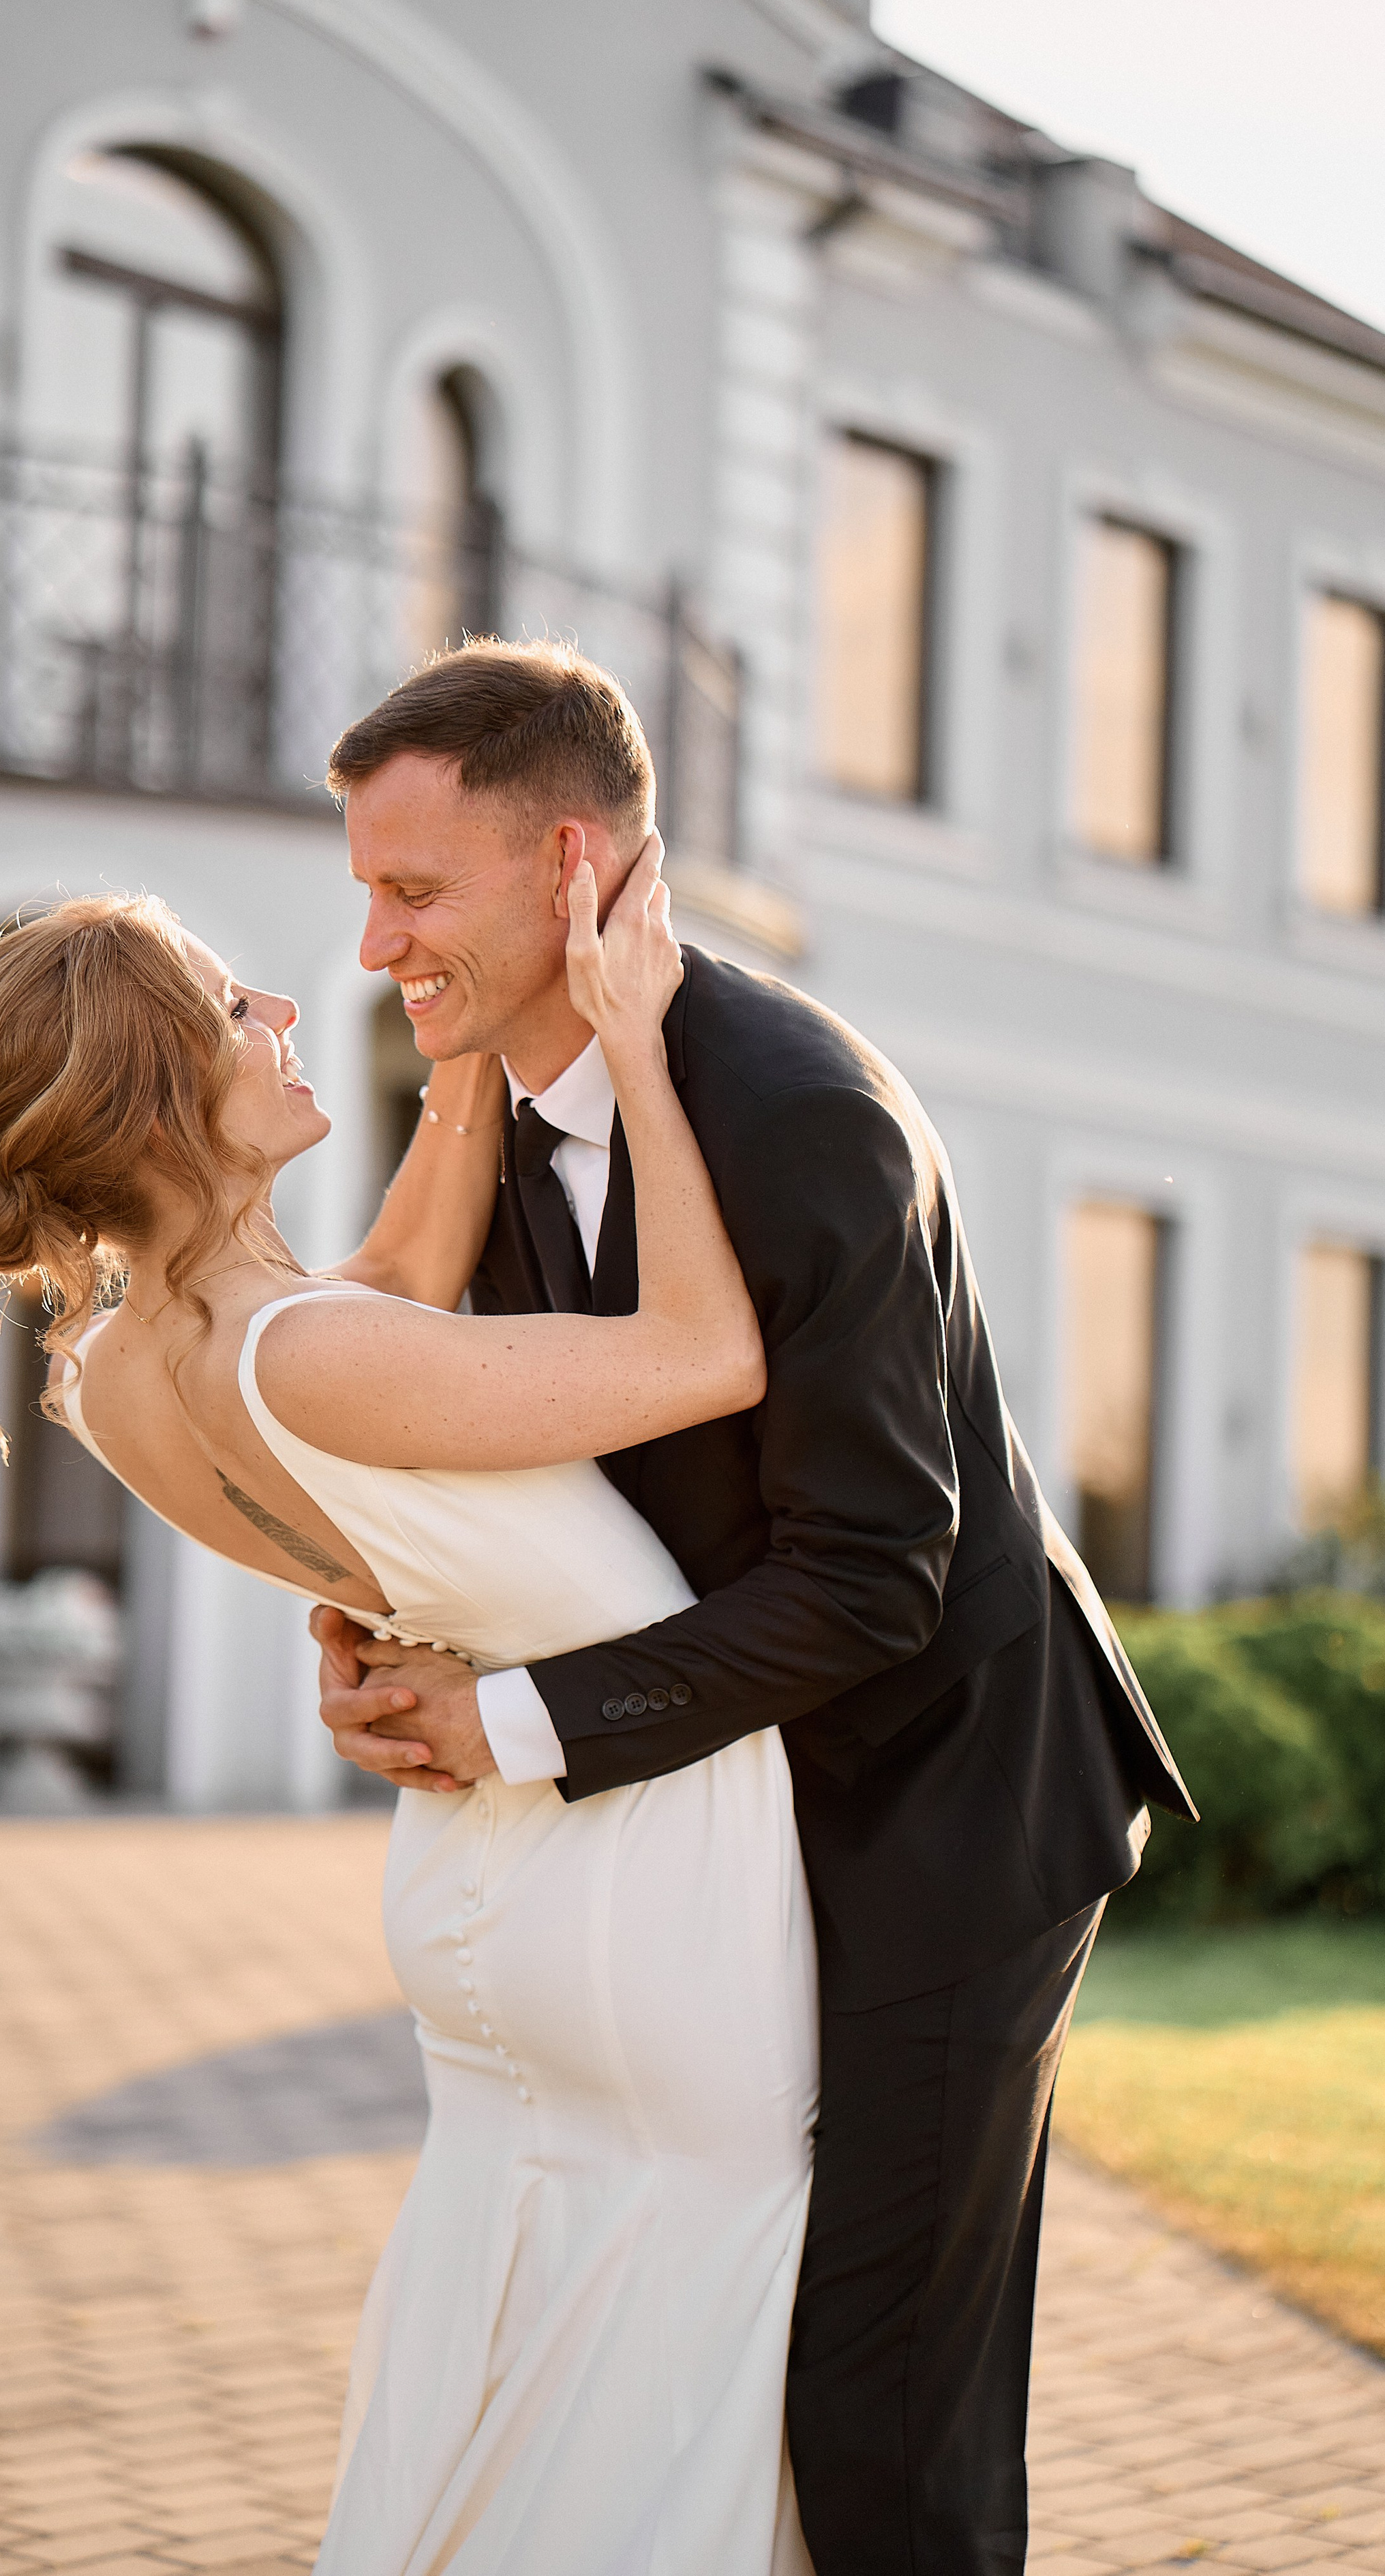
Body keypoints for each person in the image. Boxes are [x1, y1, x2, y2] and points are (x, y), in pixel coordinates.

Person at [312, 640, 1197, 2576]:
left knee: (879, 2405)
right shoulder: (506, 1091)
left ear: (571, 872)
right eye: (363, 884)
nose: (373, 939)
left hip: (952, 1802)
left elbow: (876, 1573)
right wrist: (397, 1632)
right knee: (744, 2336)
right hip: (753, 1798)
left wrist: (511, 1727)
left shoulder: (801, 1113)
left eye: (412, 889)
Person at [0, 871, 819, 2574]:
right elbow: (706, 1354)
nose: (282, 1006)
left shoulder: (122, 1368)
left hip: (479, 1875)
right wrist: (627, 1045)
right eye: (232, 1006)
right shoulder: (309, 1351)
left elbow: (392, 1286)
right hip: (636, 1874)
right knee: (671, 2351)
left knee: (516, 2328)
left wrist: (466, 1044)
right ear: (167, 1091)